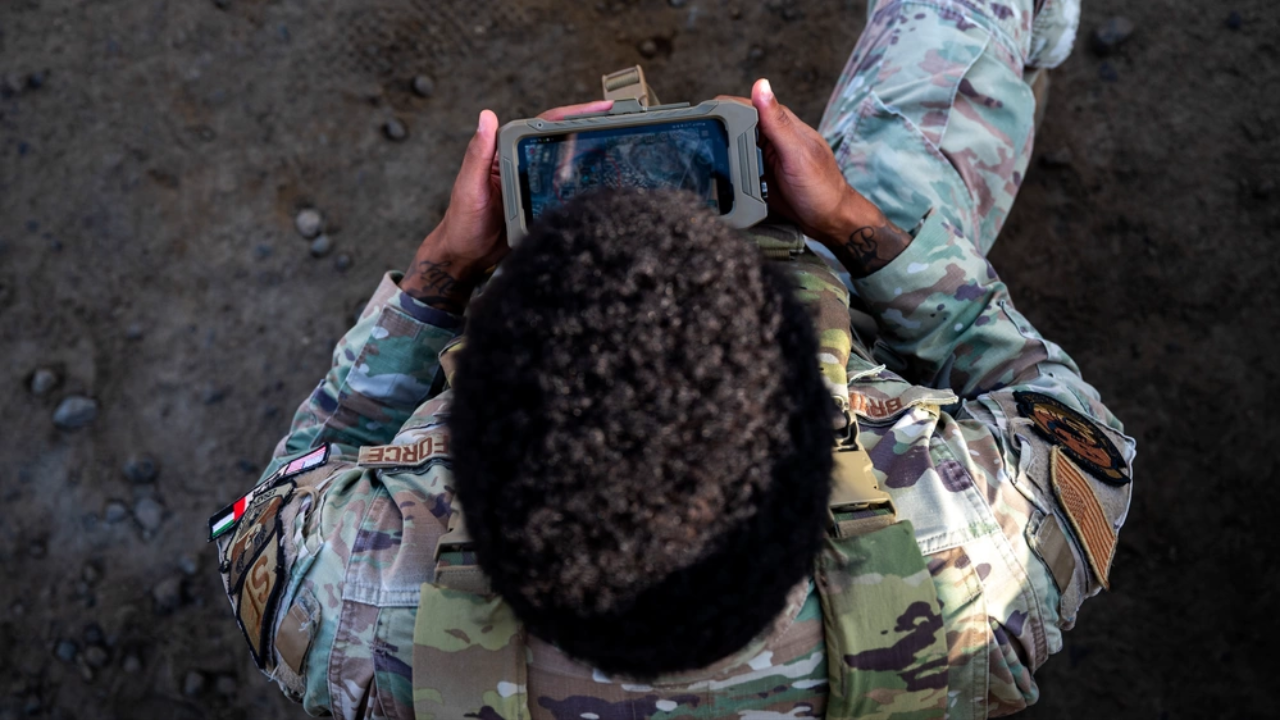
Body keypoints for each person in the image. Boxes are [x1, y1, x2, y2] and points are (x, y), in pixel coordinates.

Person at [213, 0, 1135, 718]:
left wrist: (443, 275)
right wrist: (850, 225)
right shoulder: (975, 552)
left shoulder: (351, 602)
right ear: (833, 428)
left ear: (457, 482)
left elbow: (276, 508)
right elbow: (1076, 431)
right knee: (924, 103)